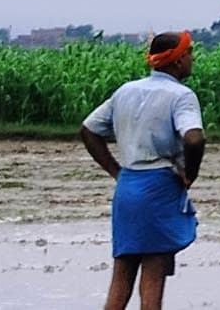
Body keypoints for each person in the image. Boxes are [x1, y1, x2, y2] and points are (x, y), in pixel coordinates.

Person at [79, 30, 207, 310]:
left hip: (127, 188)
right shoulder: (182, 96)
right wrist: (191, 173)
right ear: (176, 61)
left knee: (121, 277)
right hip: (159, 189)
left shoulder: (126, 90)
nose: (192, 59)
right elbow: (194, 137)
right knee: (153, 278)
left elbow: (88, 129)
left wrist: (116, 171)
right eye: (189, 53)